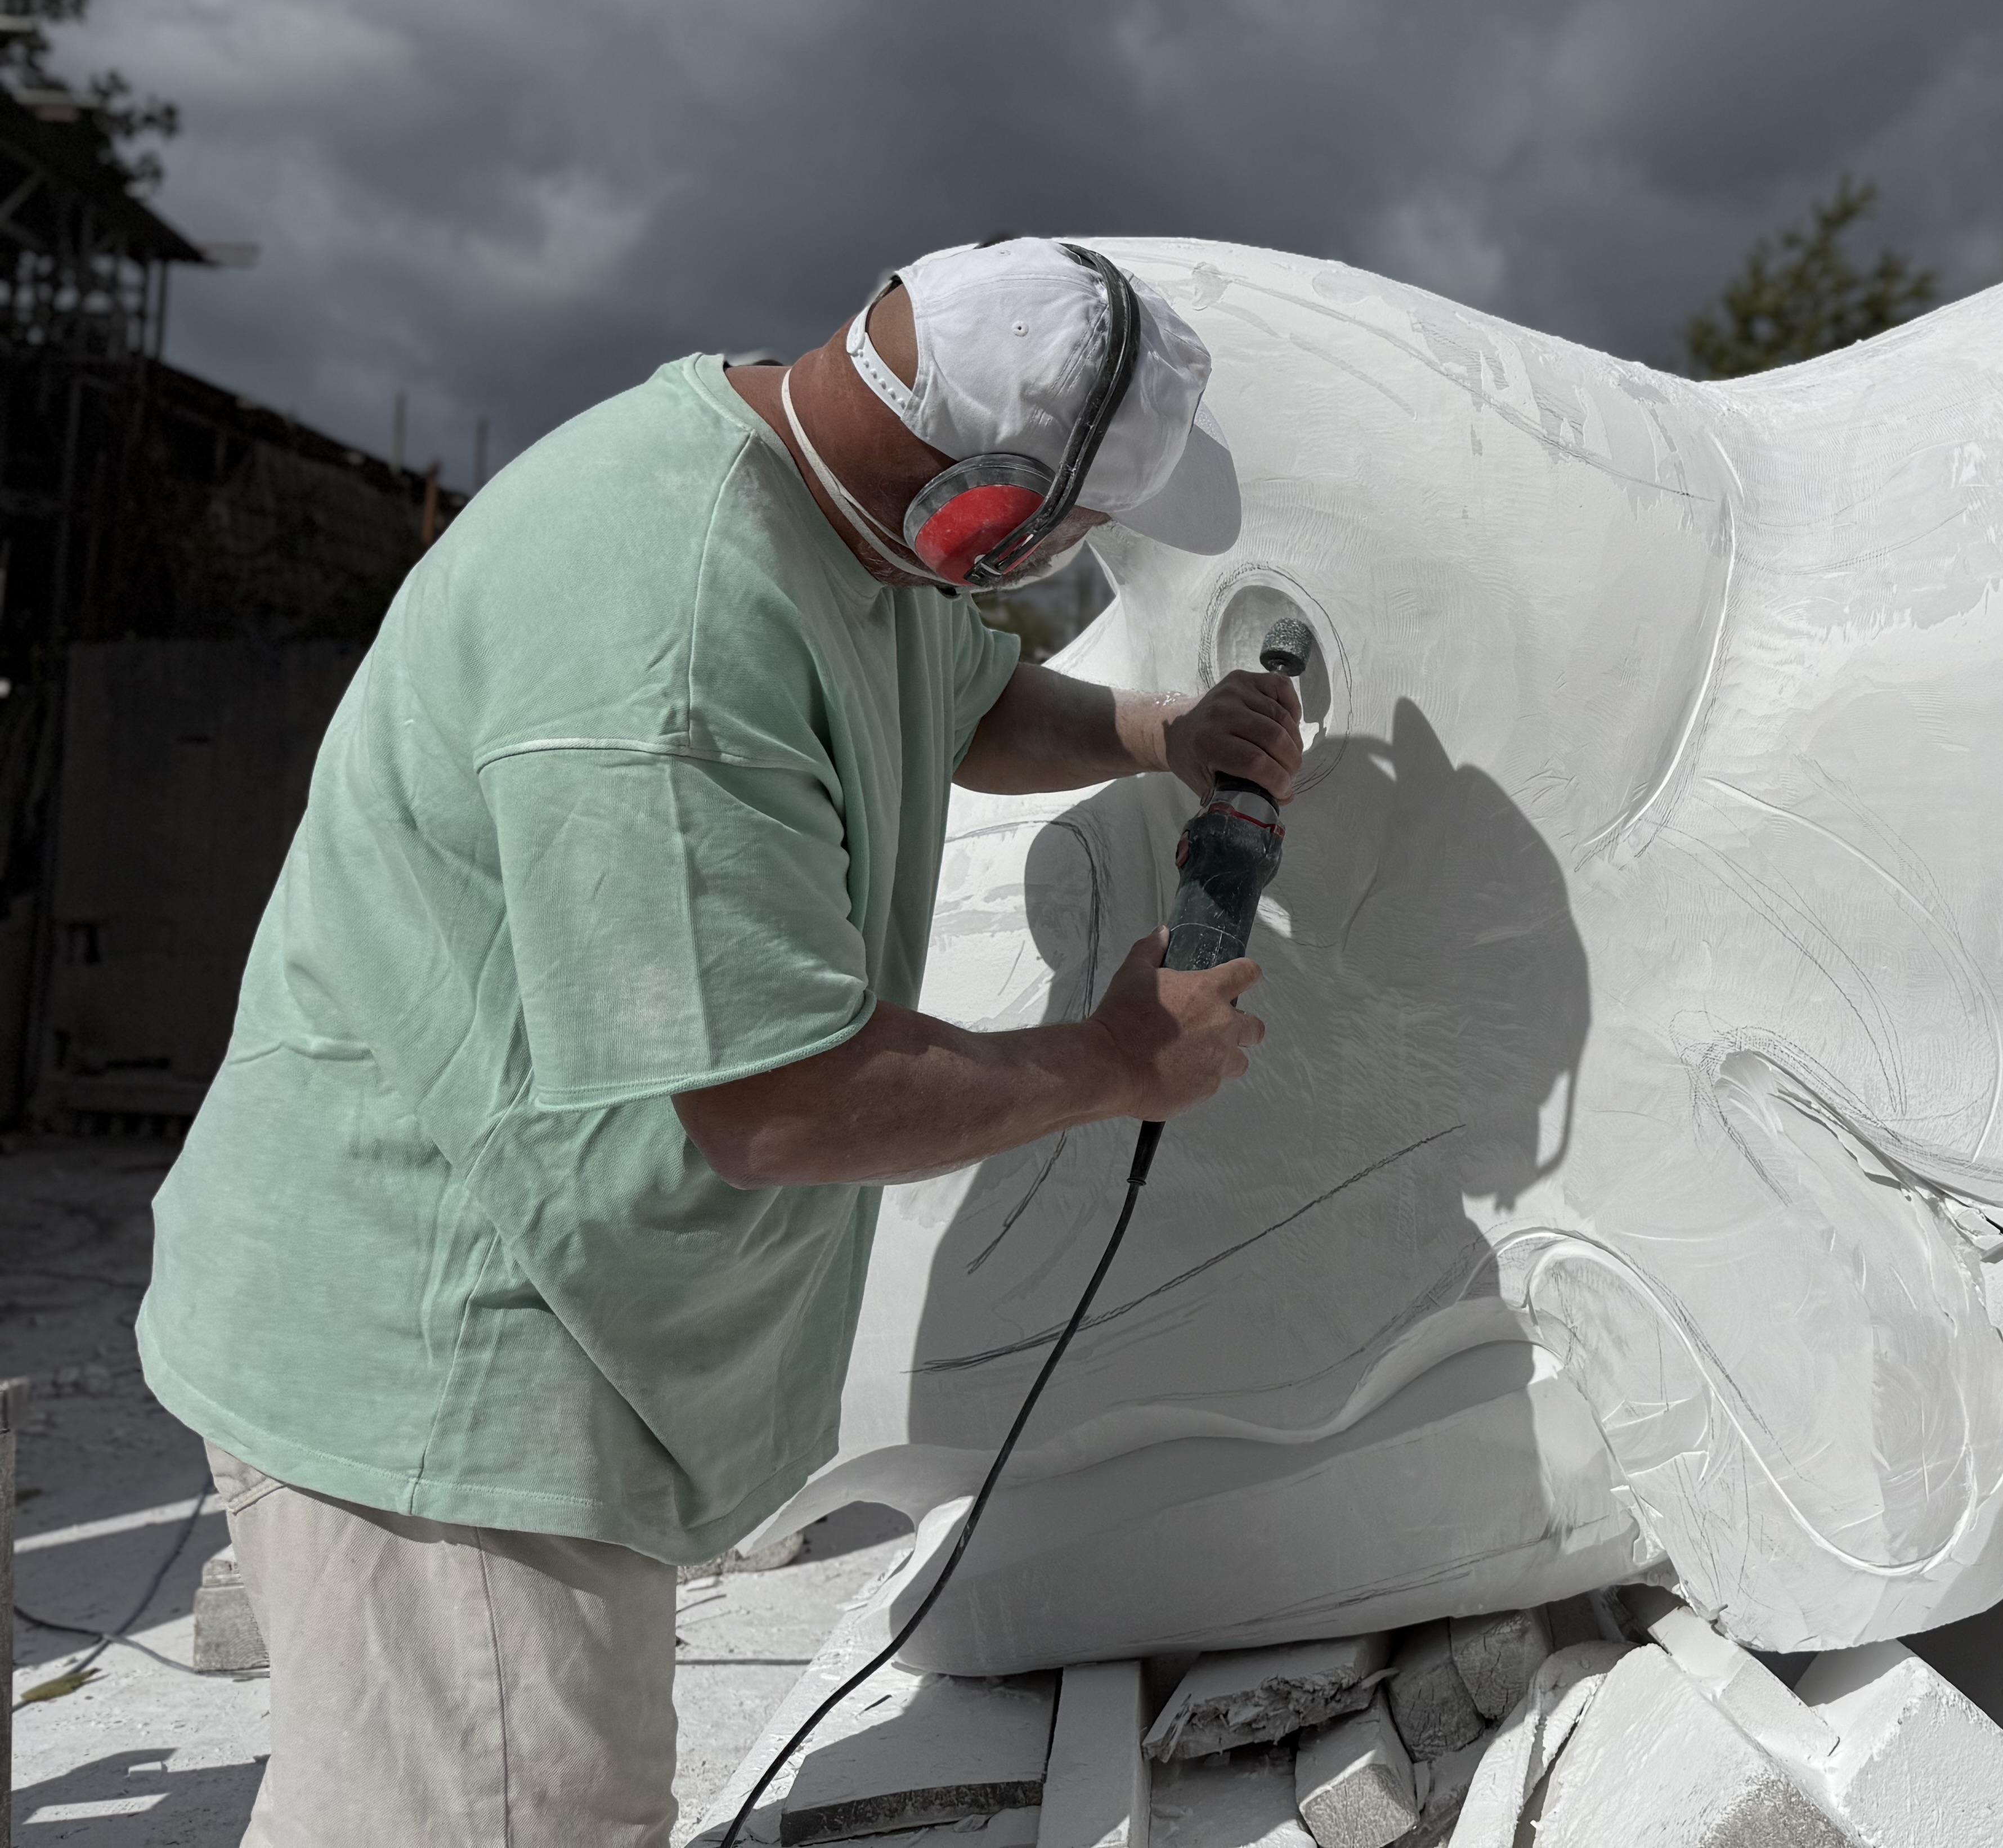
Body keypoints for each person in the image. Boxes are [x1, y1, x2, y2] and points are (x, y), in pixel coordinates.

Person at [137, 237, 1303, 1847]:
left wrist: (1155, 732)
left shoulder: (835, 512)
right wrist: (1115, 1062)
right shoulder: (671, 620)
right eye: (1074, 532)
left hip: (530, 1312)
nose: (1057, 569)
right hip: (447, 1365)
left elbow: (957, 698)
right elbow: (775, 1101)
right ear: (984, 505)